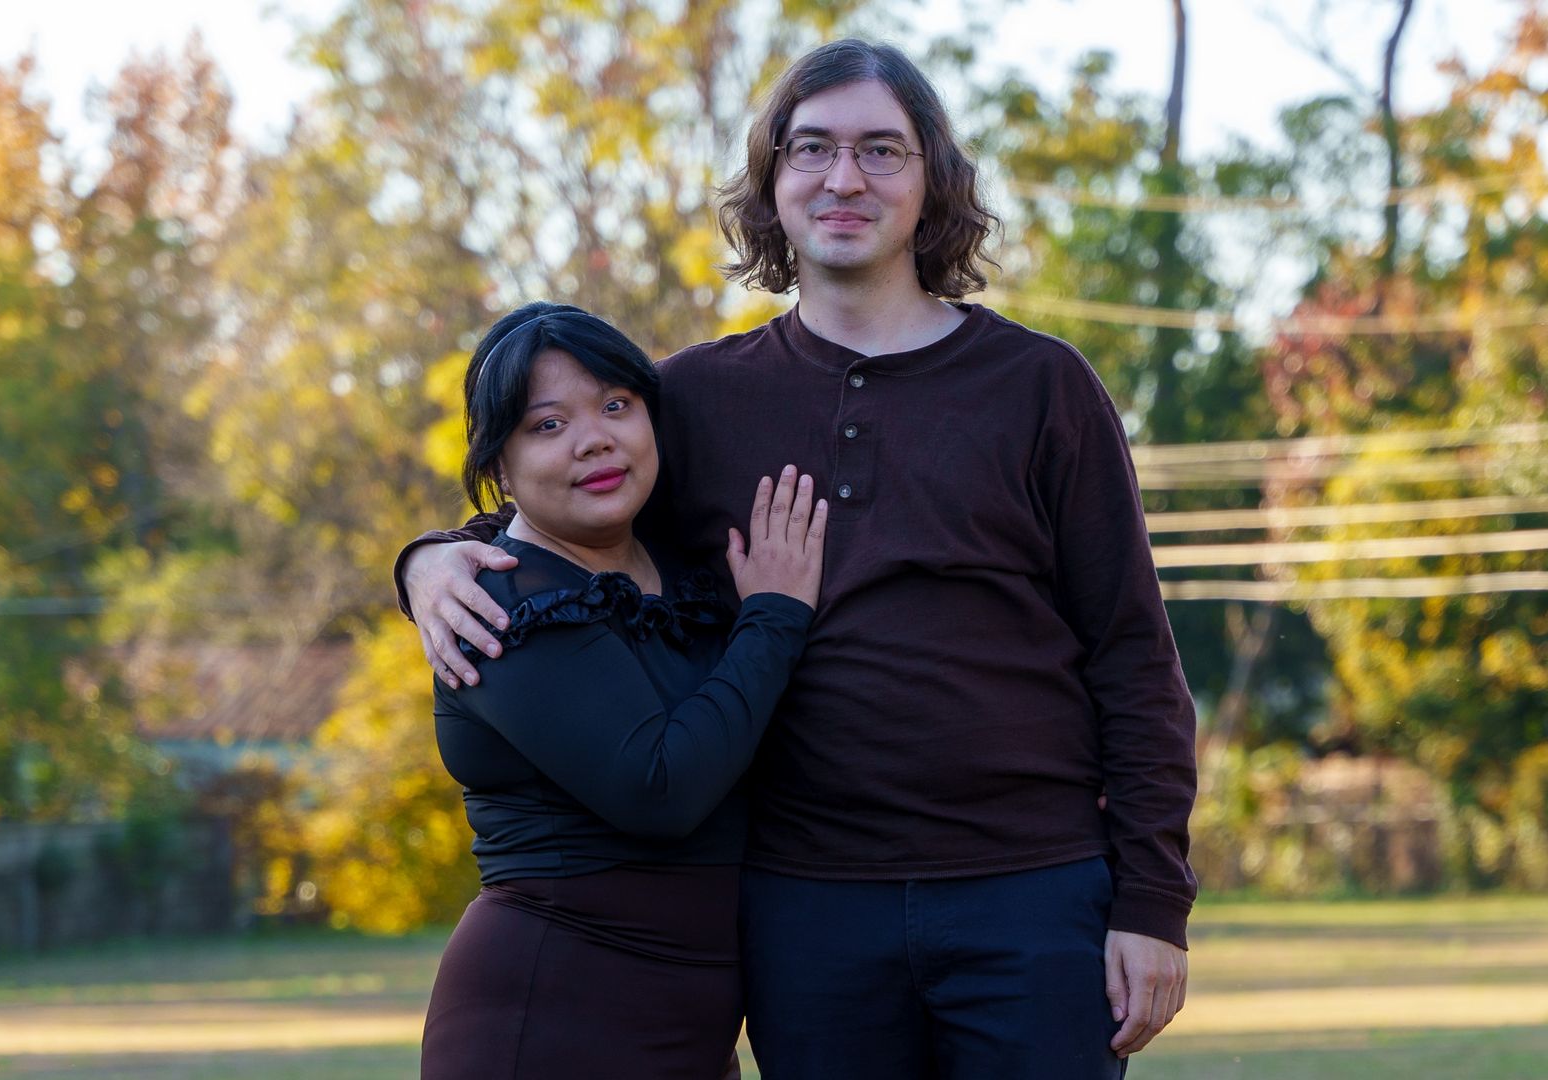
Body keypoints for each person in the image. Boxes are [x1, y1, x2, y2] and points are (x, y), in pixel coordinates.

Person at [399, 40, 1196, 1078]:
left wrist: (1151, 903)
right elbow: (566, 497)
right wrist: (429, 560)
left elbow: (1134, 660)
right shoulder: (695, 400)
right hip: (803, 911)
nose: (844, 177)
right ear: (773, 185)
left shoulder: (1042, 388)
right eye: (811, 148)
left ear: (932, 181)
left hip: (1030, 896)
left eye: (881, 150)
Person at [418, 301, 827, 1079]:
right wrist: (774, 617)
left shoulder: (684, 575)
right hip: (550, 1016)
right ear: (499, 467)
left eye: (616, 405)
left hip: (688, 1022)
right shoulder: (500, 600)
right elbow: (660, 786)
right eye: (547, 425)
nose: (594, 439)